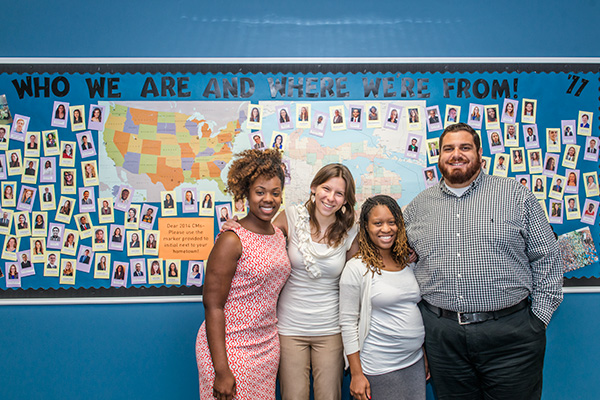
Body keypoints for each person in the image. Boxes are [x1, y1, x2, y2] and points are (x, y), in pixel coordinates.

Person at [403, 122, 562, 400]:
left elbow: (547, 255)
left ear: (479, 154)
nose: (456, 154)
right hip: (443, 339)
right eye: (448, 148)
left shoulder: (515, 195)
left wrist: (538, 319)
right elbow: (399, 257)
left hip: (511, 336)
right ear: (439, 157)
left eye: (465, 147)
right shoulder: (419, 206)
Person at [196, 149, 291, 400]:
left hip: (267, 348)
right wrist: (221, 370)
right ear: (246, 194)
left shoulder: (279, 236)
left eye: (275, 192)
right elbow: (212, 305)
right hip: (230, 349)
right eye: (260, 192)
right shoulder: (232, 239)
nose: (268, 199)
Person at [340, 195, 426, 400]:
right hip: (379, 367)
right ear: (366, 228)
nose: (386, 229)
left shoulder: (408, 262)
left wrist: (423, 354)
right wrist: (356, 373)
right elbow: (348, 323)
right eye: (377, 223)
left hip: (415, 362)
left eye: (392, 222)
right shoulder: (356, 268)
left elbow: (412, 310)